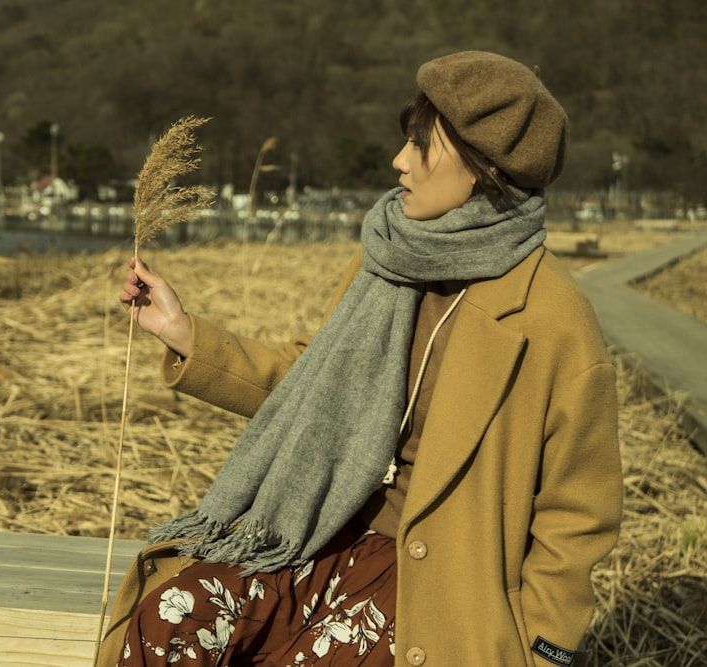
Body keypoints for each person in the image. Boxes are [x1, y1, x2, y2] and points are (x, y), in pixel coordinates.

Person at [114, 51, 623, 667]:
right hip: (314, 528)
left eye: (420, 145)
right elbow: (310, 387)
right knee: (170, 626)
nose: (398, 161)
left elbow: (580, 515)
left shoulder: (552, 320)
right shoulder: (387, 259)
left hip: (435, 589)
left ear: (482, 167)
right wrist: (185, 332)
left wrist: (540, 650)